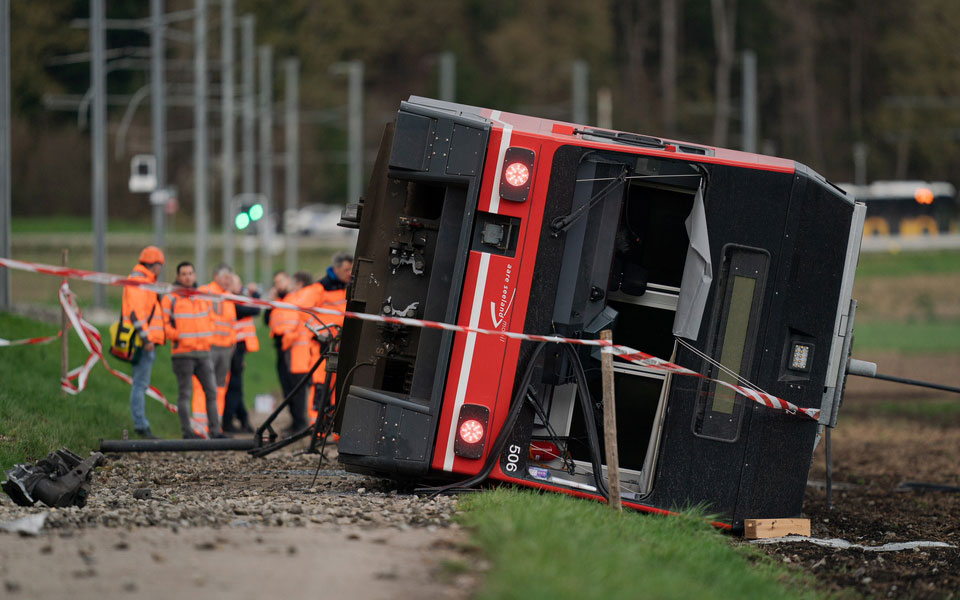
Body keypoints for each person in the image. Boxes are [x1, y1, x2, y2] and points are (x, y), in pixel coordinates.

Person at [161, 261, 223, 439]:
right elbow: (164, 324)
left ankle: (215, 431)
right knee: (185, 394)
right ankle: (187, 432)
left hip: (203, 352)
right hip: (183, 354)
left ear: (195, 275)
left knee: (211, 392)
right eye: (184, 274)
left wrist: (208, 337)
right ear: (178, 277)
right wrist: (179, 335)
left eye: (190, 273)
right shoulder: (171, 298)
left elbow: (211, 319)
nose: (187, 277)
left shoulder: (202, 296)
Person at [122, 246, 166, 439]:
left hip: (144, 340)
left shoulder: (145, 281)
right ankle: (141, 425)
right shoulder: (140, 282)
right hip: (142, 342)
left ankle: (141, 424)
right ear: (153, 264)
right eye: (159, 265)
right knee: (140, 384)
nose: (160, 270)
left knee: (140, 383)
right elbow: (136, 312)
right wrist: (146, 337)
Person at [279, 271, 316, 433]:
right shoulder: (311, 296)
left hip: (299, 351)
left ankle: (300, 423)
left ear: (299, 283)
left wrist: (286, 342)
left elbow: (292, 324)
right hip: (306, 349)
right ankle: (301, 422)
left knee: (300, 389)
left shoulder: (300, 298)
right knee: (306, 388)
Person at [223, 274, 259, 433]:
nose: (241, 286)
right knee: (234, 387)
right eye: (238, 283)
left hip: (238, 350)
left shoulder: (236, 300)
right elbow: (255, 309)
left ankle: (242, 420)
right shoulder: (232, 302)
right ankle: (228, 422)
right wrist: (255, 295)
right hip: (233, 349)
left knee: (235, 387)